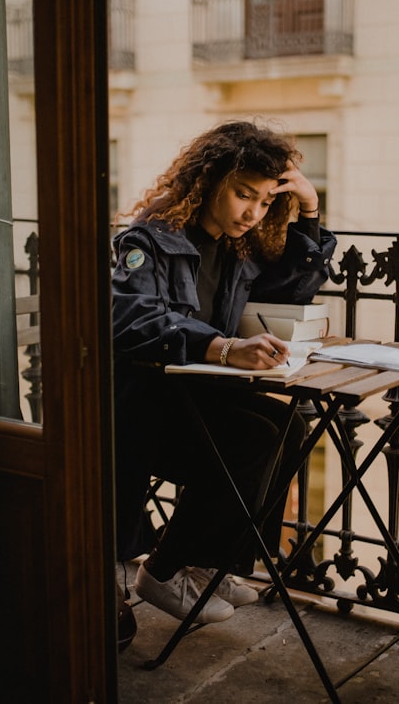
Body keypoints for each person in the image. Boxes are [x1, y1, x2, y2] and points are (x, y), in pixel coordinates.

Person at [110, 120, 337, 624]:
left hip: (192, 398)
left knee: (293, 426)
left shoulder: (236, 248)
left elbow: (291, 291)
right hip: (141, 410)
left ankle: (208, 564)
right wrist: (222, 346)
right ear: (208, 181)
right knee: (252, 438)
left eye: (264, 203)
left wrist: (310, 209)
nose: (253, 214)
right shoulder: (149, 238)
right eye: (243, 195)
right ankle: (164, 571)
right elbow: (128, 318)